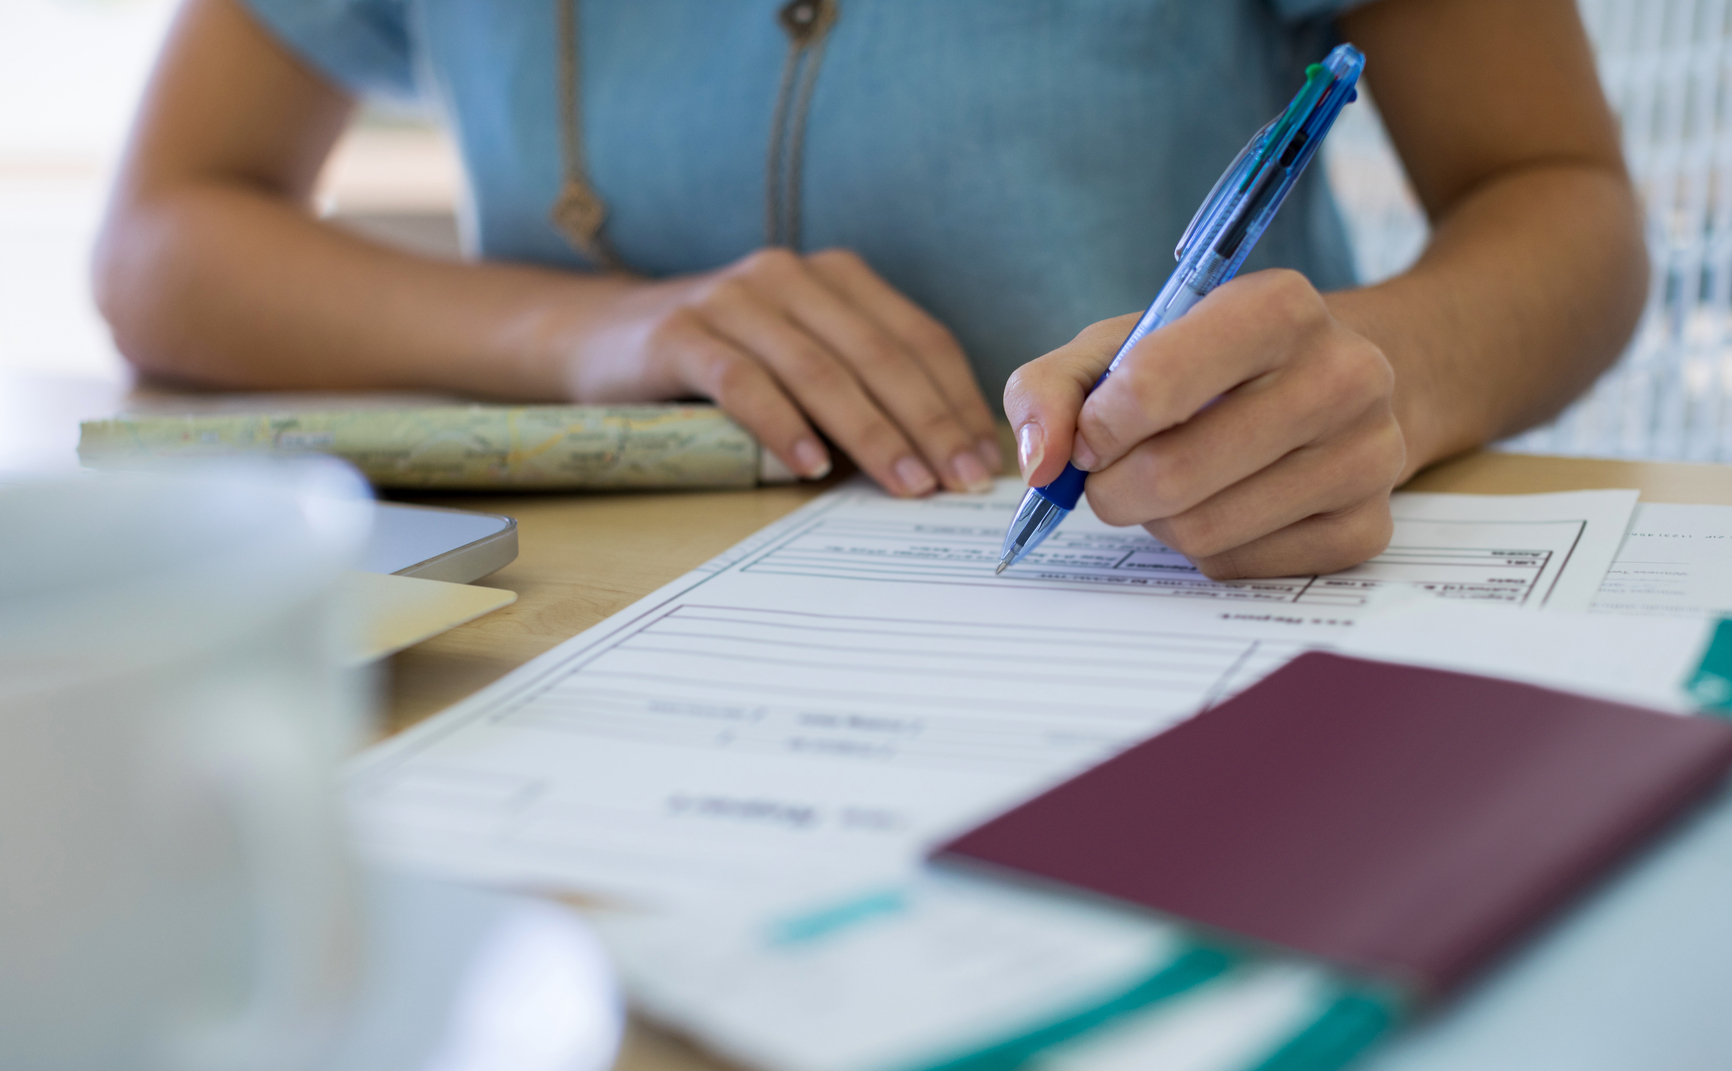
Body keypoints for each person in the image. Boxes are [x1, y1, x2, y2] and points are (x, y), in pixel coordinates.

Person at [94, 0, 1644, 579]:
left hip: (1200, 596)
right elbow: (162, 233)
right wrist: (578, 329)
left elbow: (1561, 202)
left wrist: (1383, 378)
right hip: (559, 622)